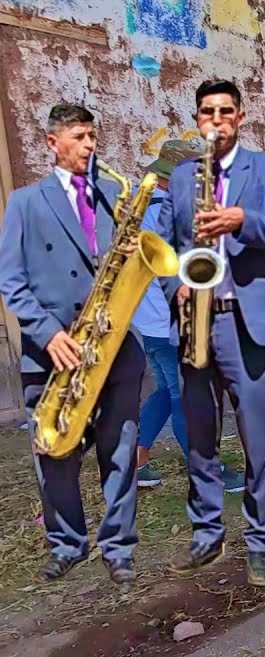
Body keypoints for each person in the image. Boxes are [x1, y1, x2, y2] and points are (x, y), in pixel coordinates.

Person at [158, 78, 265, 588]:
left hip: (248, 320)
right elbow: (164, 247)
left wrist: (243, 220)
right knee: (199, 434)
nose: (215, 120)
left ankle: (260, 542)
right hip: (195, 316)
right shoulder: (180, 178)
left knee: (257, 438)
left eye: (225, 112)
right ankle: (206, 534)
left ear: (240, 117)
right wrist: (173, 282)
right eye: (206, 112)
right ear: (197, 119)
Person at [0, 105, 142, 584]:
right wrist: (49, 334)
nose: (89, 146)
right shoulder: (24, 202)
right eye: (79, 137)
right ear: (51, 142)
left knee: (119, 449)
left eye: (92, 136)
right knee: (53, 450)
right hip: (55, 349)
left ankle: (119, 547)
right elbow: (11, 282)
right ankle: (67, 544)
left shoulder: (111, 196)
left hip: (113, 344)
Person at [133, 137, 245, 491]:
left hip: (148, 321)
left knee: (167, 391)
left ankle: (135, 458)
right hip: (172, 323)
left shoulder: (142, 206)